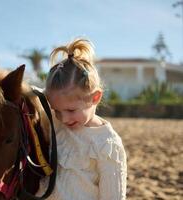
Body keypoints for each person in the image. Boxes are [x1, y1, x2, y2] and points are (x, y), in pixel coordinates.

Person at [37, 38, 127, 200]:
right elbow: (30, 94)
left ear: (95, 98)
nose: (63, 118)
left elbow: (113, 196)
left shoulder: (108, 144)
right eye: (56, 110)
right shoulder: (55, 121)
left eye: (71, 110)